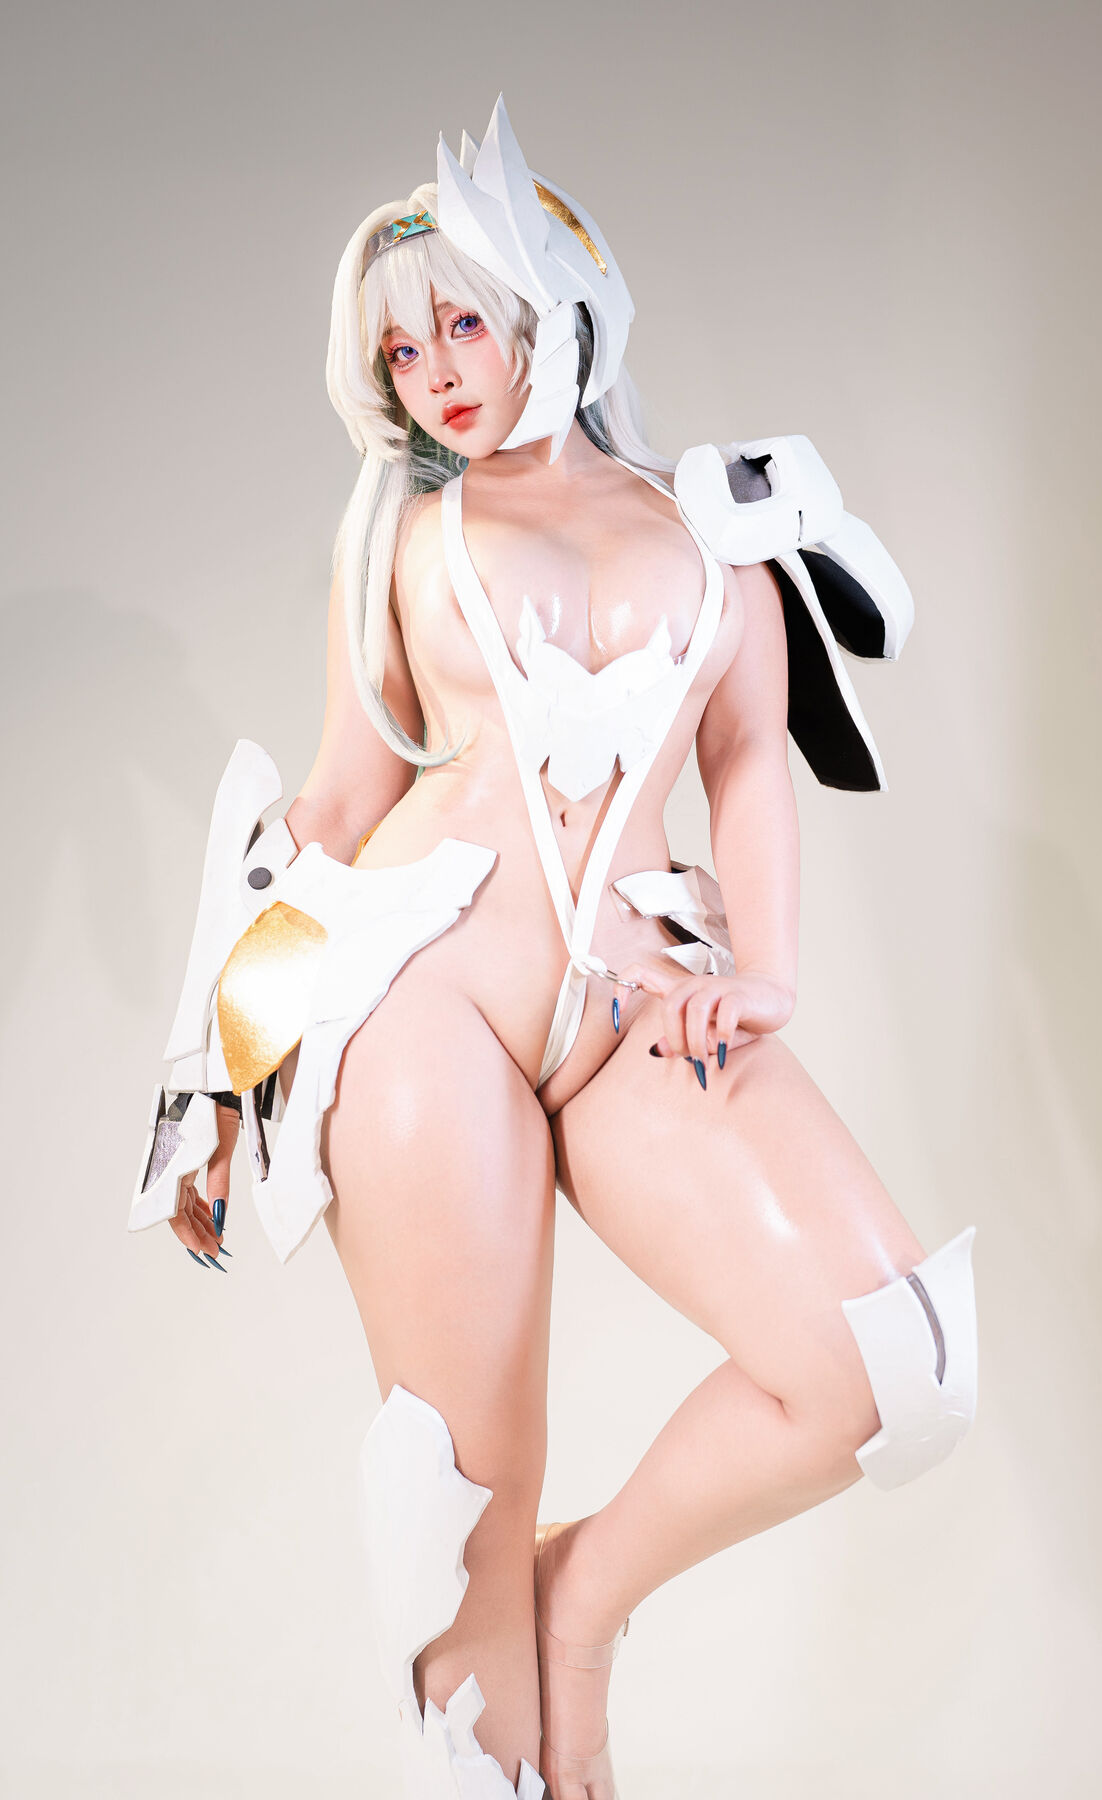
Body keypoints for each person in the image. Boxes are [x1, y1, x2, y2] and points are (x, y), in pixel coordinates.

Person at [129, 96, 979, 1800]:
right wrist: (213, 1079)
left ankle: (581, 1600)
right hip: (422, 999)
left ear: (549, 301)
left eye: (461, 321)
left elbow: (749, 762)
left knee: (892, 1370)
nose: (434, 371)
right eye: (401, 347)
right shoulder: (400, 534)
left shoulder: (721, 525)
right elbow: (336, 803)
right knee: (458, 1504)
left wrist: (769, 971)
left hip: (634, 998)